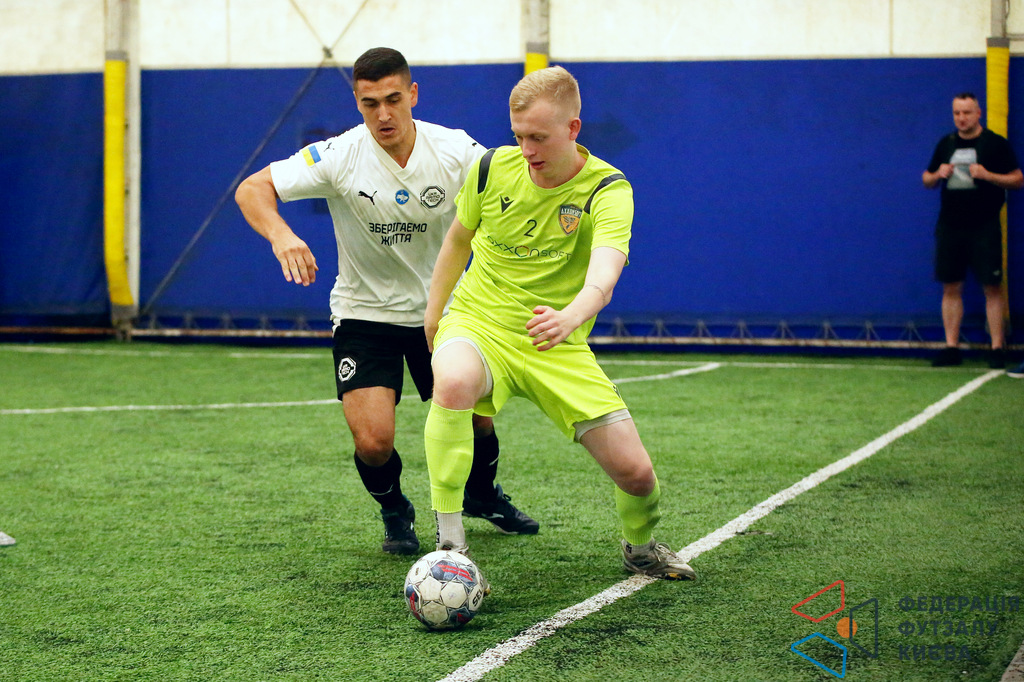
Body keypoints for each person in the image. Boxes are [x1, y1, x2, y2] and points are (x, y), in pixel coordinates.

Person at [235, 47, 537, 556]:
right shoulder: (337, 155)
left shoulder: (455, 150)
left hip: (443, 312)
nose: (383, 114)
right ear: (357, 103)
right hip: (364, 314)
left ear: (413, 94)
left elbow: (512, 186)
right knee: (373, 442)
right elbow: (252, 189)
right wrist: (282, 236)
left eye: (393, 99)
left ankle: (483, 495)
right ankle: (395, 509)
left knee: (476, 418)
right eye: (370, 103)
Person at [422, 65, 695, 581]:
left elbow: (604, 275)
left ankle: (640, 549)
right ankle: (450, 548)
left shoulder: (607, 189)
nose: (527, 150)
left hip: (557, 340)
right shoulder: (490, 168)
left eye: (538, 138)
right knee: (452, 381)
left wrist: (570, 316)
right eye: (518, 137)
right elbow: (458, 240)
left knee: (637, 474)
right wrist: (434, 314)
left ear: (573, 129)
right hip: (480, 322)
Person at [922, 92, 1023, 368]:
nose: (961, 118)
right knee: (951, 286)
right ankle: (951, 347)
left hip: (984, 226)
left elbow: (1017, 180)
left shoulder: (995, 144)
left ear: (979, 113)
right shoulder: (946, 143)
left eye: (966, 112)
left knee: (992, 287)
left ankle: (997, 348)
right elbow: (927, 179)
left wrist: (988, 175)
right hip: (950, 226)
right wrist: (938, 174)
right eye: (957, 113)